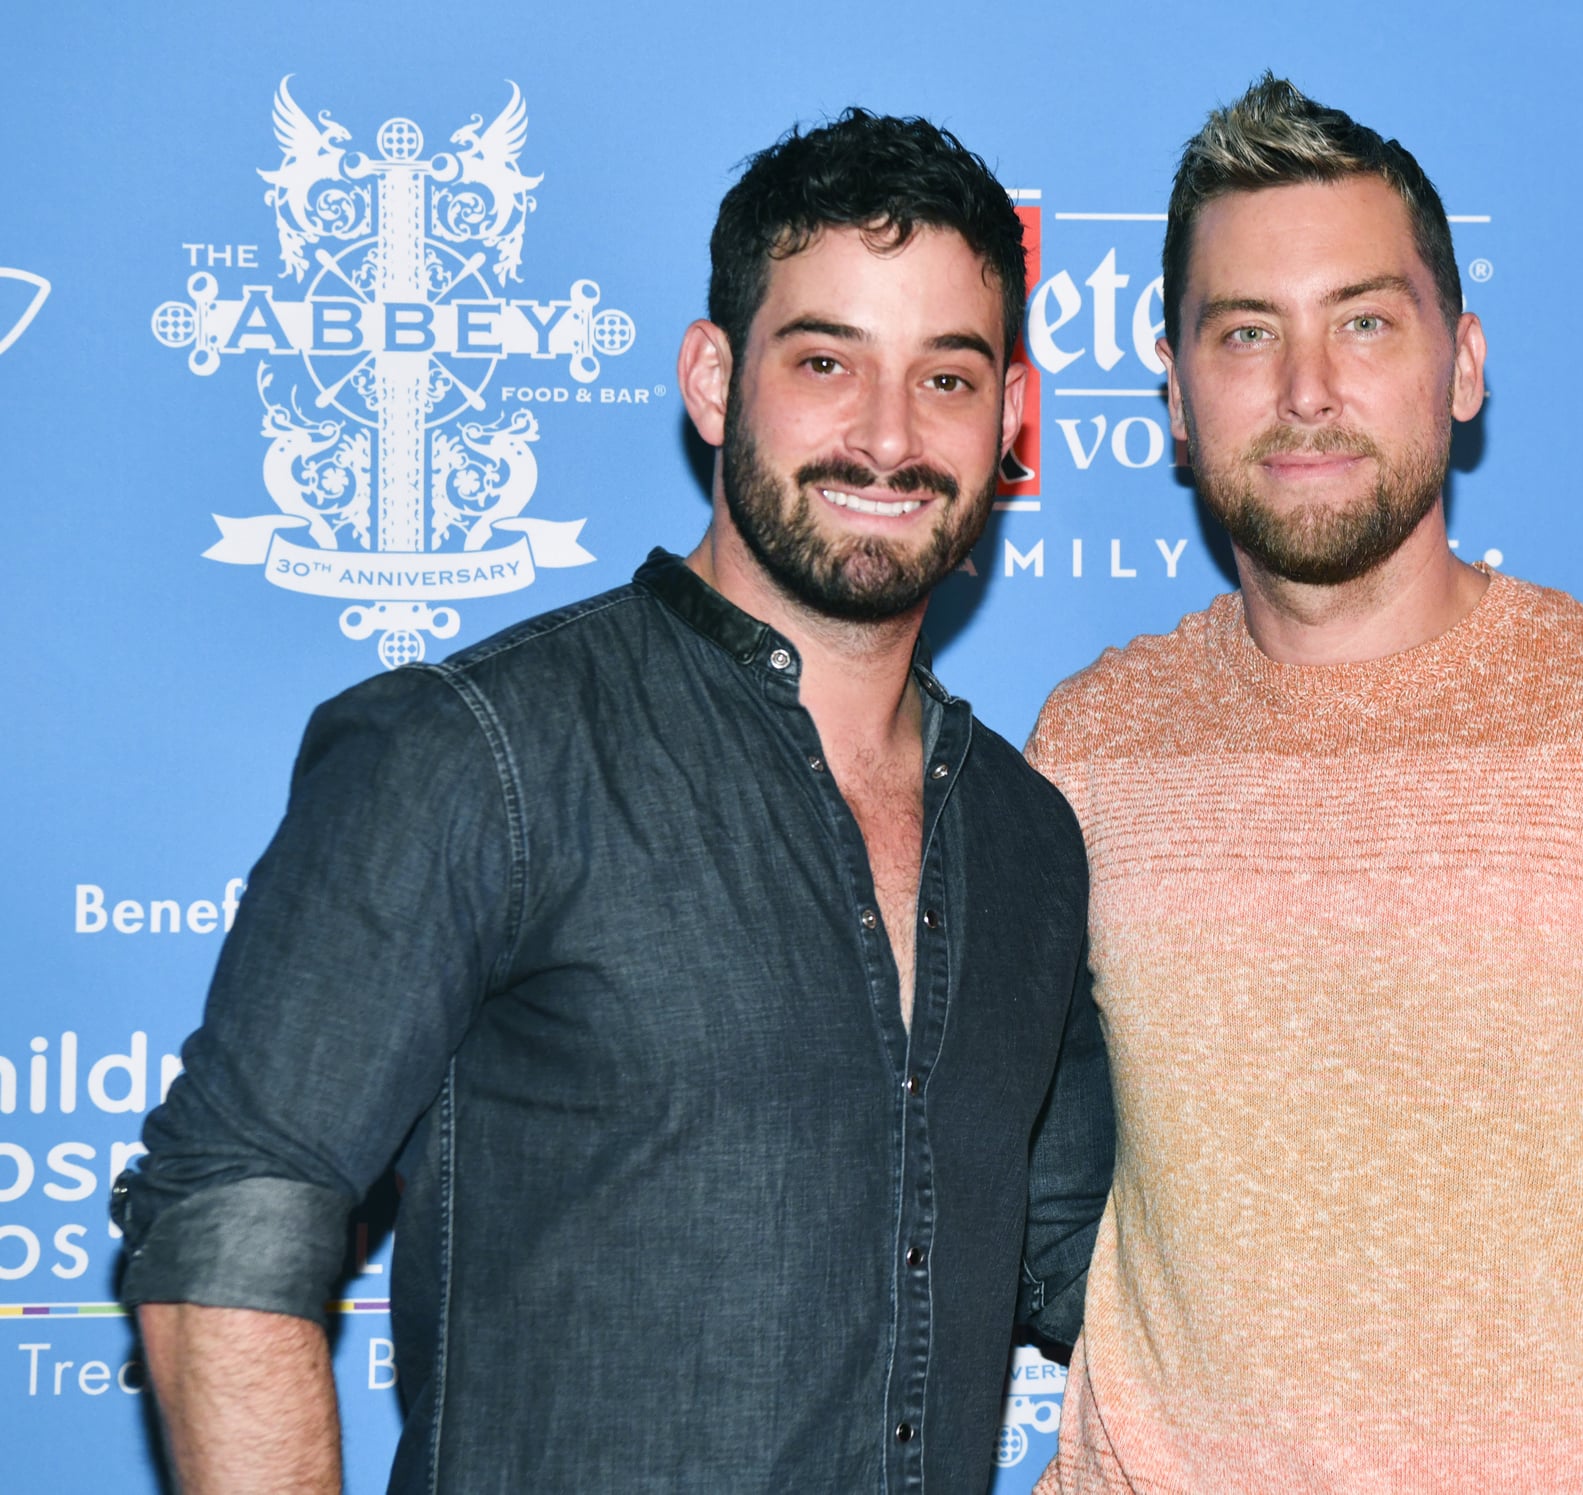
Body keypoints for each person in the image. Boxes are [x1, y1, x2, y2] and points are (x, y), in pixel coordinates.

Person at [114, 109, 1113, 1495]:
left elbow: (1089, 1264)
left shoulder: (1025, 837)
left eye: (948, 378)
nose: (889, 436)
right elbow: (230, 1222)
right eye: (827, 361)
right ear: (714, 381)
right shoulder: (481, 752)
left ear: (1008, 418)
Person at [1026, 75, 1583, 1494]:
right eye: (1246, 333)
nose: (1306, 392)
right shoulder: (1093, 746)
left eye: (1364, 321)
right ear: (1174, 395)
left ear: (1461, 364)